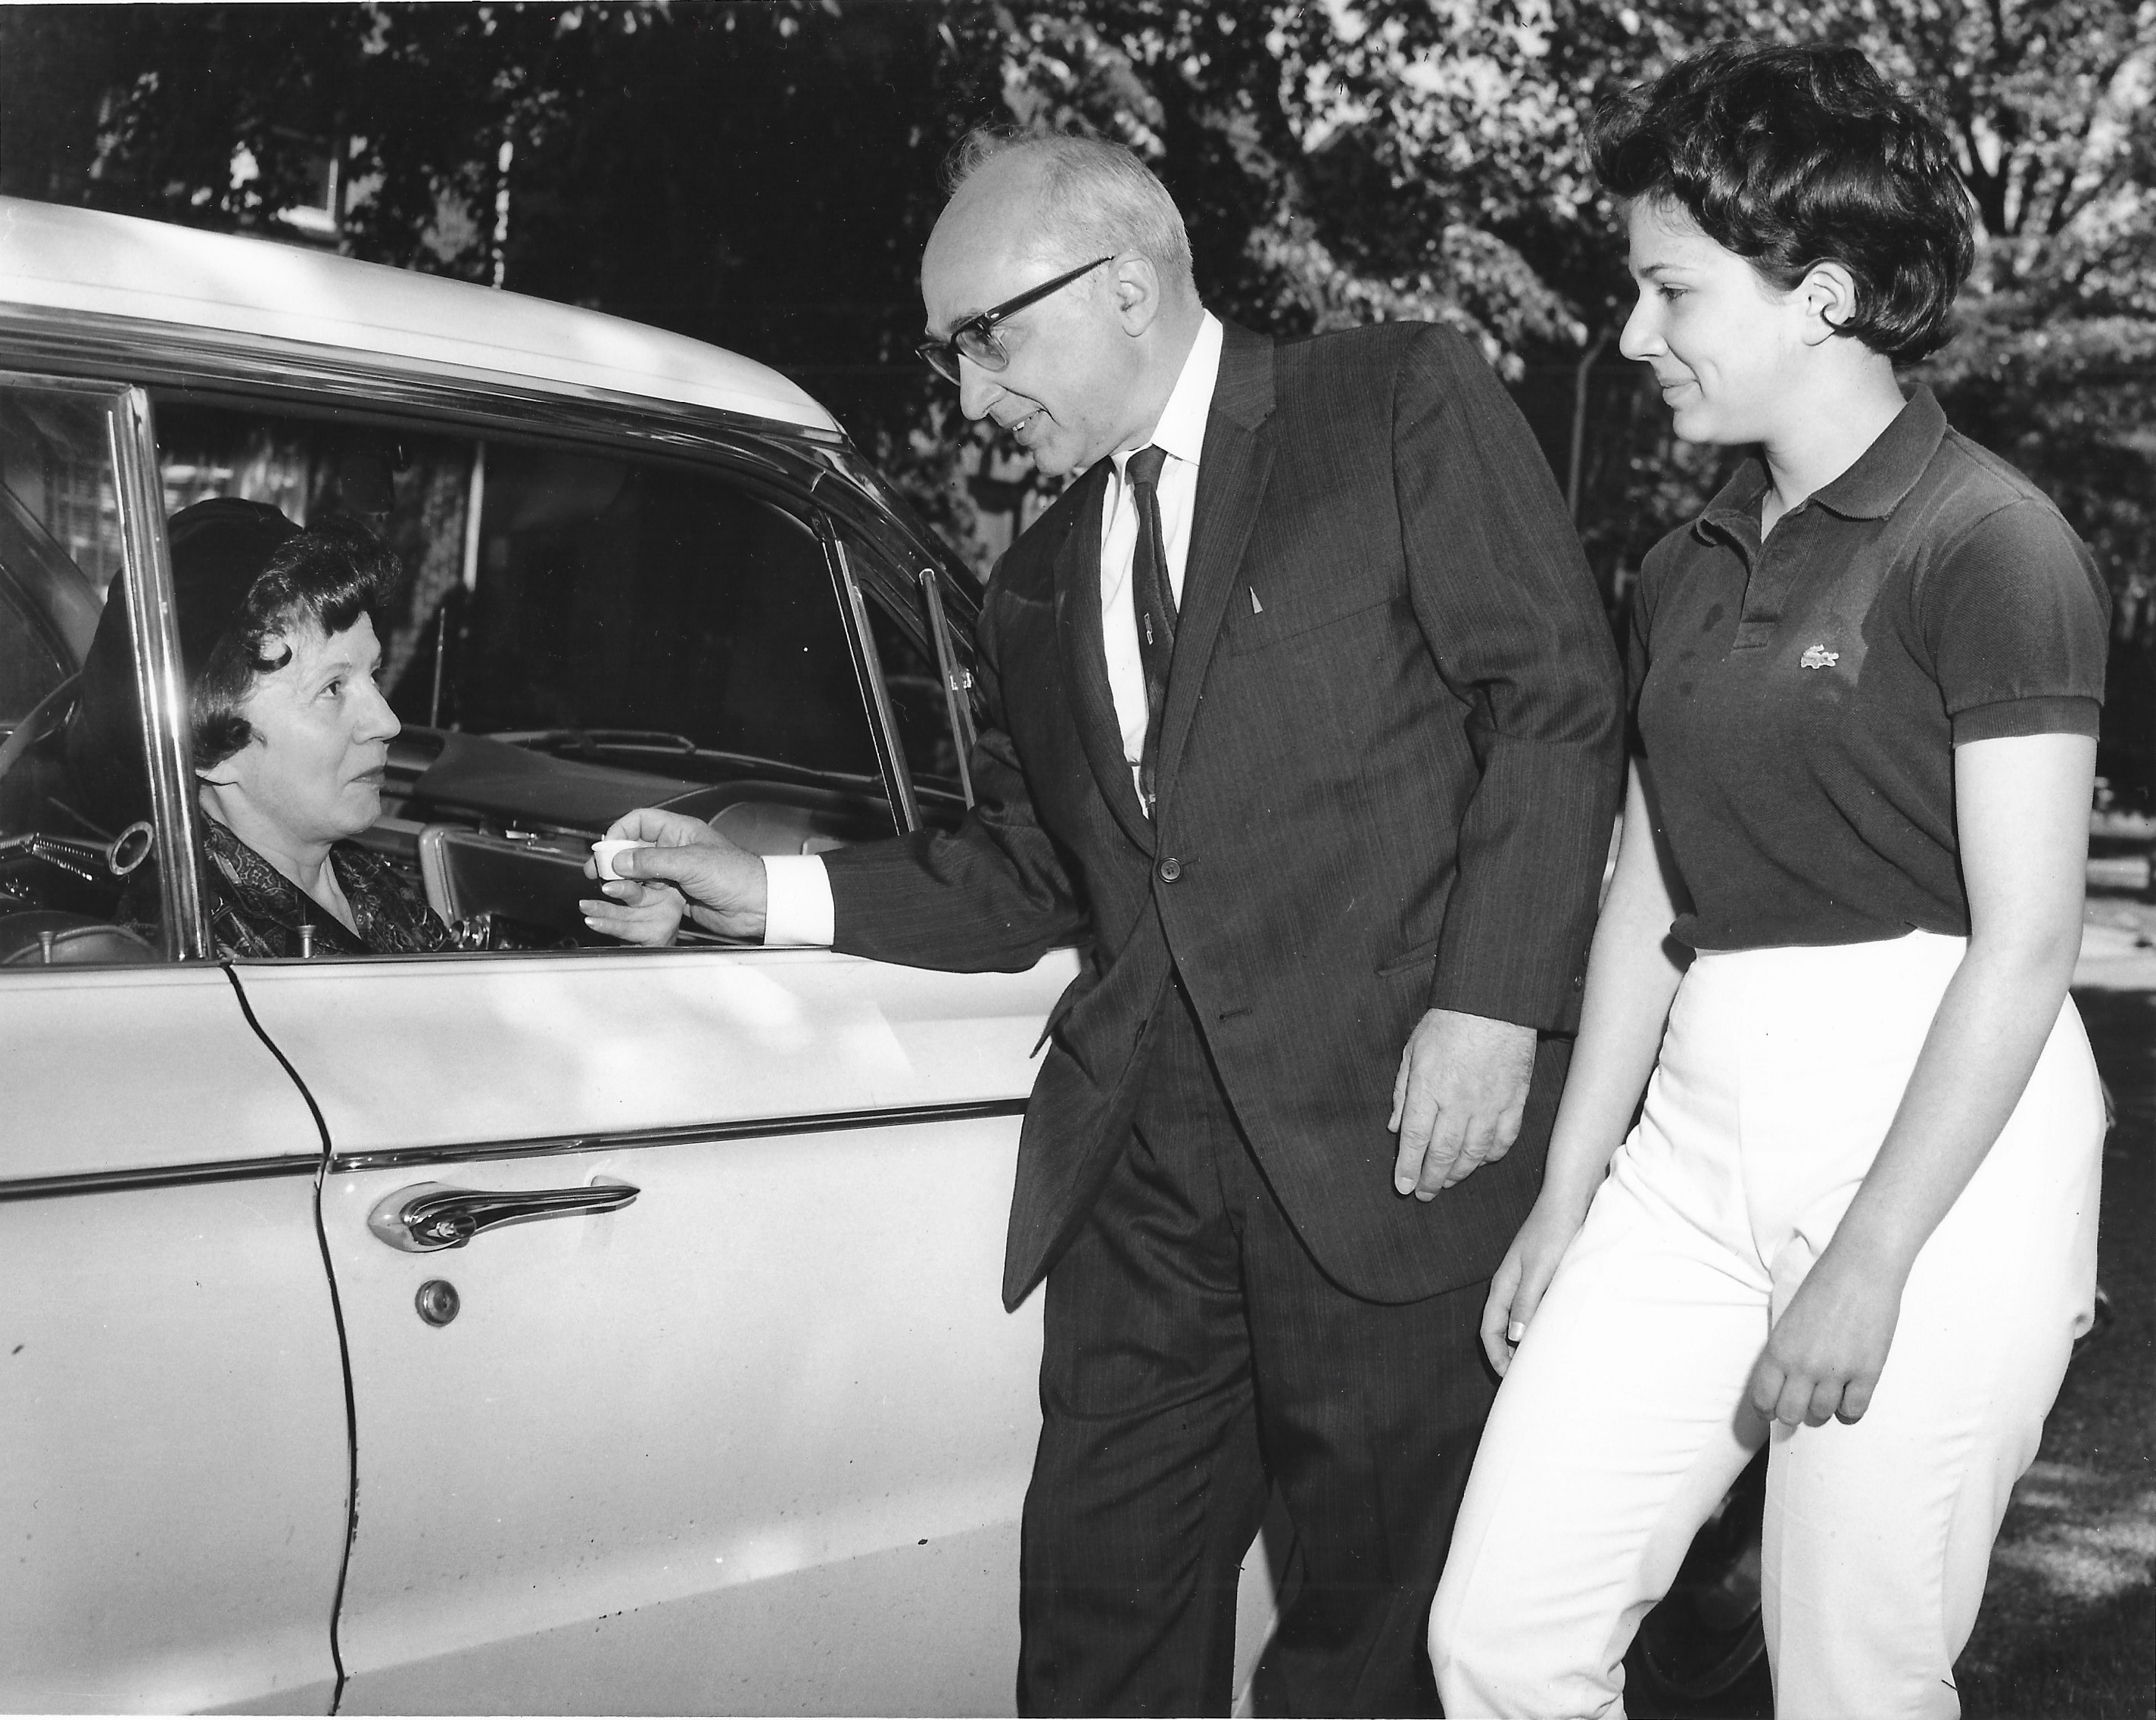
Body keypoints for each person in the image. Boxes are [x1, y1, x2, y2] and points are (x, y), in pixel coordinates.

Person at [589, 129, 1622, 1716]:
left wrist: (1487, 1006)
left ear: (1127, 284)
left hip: (1390, 1139)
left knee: (1369, 1651)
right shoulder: (1031, 580)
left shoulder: (1390, 401)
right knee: (1093, 1628)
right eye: (947, 358)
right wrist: (774, 890)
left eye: (984, 339)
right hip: (1142, 1172)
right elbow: (1036, 870)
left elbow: (1552, 701)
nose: (966, 396)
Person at [1427, 42, 2109, 1720]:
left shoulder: (1988, 542)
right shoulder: (1678, 561)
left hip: (1933, 1128)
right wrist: (1568, 1186)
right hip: (1695, 1128)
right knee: (1500, 1637)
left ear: (1815, 294)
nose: (1632, 334)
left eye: (1668, 290)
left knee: (1849, 1683)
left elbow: (2024, 946)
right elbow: (1654, 895)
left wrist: (1869, 1251)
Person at [94, 498, 449, 958]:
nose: (387, 722)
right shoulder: (199, 955)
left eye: (373, 674)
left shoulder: (362, 878)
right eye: (333, 688)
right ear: (211, 749)